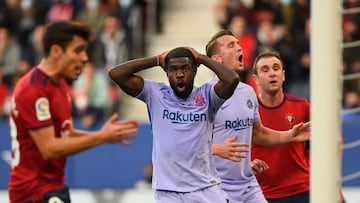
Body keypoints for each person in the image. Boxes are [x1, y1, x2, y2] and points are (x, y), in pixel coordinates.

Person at [8, 20, 139, 203]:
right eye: (78, 50)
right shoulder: (32, 89)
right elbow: (50, 149)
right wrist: (101, 137)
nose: (85, 58)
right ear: (55, 51)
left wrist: (104, 134)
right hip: (32, 192)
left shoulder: (60, 84)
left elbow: (66, 133)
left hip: (54, 187)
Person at [109, 46, 240, 203]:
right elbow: (116, 74)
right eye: (173, 69)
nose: (179, 74)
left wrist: (201, 58)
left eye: (185, 68)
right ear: (167, 72)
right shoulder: (154, 93)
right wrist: (157, 60)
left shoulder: (207, 95)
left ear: (195, 71)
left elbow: (232, 79)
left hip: (205, 188)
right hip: (169, 192)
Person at [206, 30, 310, 203]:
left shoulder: (247, 92)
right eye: (231, 45)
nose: (239, 48)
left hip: (248, 184)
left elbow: (257, 133)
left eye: (238, 44)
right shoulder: (204, 96)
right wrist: (215, 149)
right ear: (217, 59)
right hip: (217, 186)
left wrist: (290, 135)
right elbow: (187, 146)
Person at [251, 50, 346, 203]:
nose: (272, 73)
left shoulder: (302, 106)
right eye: (265, 70)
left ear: (283, 75)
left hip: (301, 191)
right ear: (255, 79)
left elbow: (332, 141)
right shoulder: (247, 110)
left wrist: (334, 186)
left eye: (276, 68)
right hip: (260, 194)